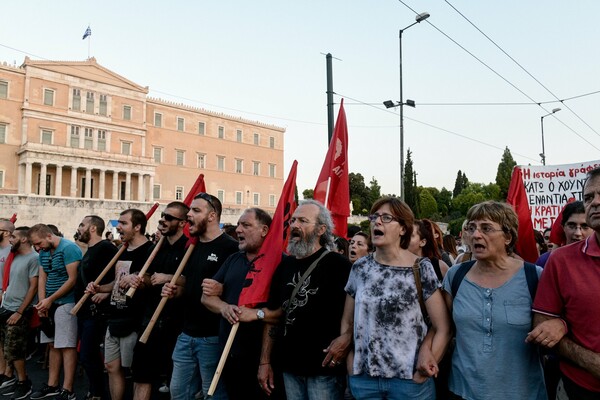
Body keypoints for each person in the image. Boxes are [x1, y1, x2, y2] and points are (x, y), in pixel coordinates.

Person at [339, 198, 450, 399]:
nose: (377, 222)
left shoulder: (421, 268)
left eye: (387, 218)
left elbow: (442, 326)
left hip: (409, 384)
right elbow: (348, 321)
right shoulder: (360, 268)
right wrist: (351, 363)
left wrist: (424, 369)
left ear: (403, 229)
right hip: (364, 381)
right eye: (374, 217)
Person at [442, 201, 547, 399]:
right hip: (463, 392)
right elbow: (445, 329)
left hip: (524, 393)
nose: (475, 235)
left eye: (486, 228)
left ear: (508, 237)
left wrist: (560, 324)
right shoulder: (455, 276)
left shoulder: (534, 276)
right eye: (471, 228)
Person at [258, 200, 352, 399]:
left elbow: (357, 312)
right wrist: (264, 361)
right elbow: (273, 317)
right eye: (293, 220)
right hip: (289, 366)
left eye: (302, 220)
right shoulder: (284, 266)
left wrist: (347, 338)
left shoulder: (339, 266)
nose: (294, 225)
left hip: (324, 369)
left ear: (321, 229)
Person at [530, 167, 600, 398]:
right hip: (578, 388)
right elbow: (543, 325)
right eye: (588, 197)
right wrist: (591, 362)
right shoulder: (560, 261)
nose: (595, 203)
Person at [162, 193, 239, 400]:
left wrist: (222, 290)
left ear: (212, 215)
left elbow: (238, 290)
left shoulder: (231, 248)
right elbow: (190, 283)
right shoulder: (192, 246)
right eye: (189, 211)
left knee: (213, 395)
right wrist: (175, 292)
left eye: (196, 211)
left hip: (213, 338)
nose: (189, 215)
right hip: (186, 334)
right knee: (178, 393)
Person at [202, 208, 278, 400]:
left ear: (264, 230)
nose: (238, 230)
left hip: (261, 359)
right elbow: (207, 297)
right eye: (238, 224)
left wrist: (256, 314)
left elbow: (280, 312)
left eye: (246, 225)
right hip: (229, 353)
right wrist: (224, 307)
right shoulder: (233, 259)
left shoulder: (280, 263)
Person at [85, 209, 153, 400]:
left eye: (123, 223)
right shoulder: (121, 250)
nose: (118, 227)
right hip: (114, 316)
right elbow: (116, 283)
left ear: (137, 227)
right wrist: (99, 288)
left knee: (134, 371)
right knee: (111, 366)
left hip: (135, 320)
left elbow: (151, 281)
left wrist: (139, 279)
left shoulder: (150, 251)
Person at [130, 202, 189, 400]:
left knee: (176, 382)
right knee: (141, 374)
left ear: (182, 223)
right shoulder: (156, 248)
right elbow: (147, 278)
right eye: (163, 215)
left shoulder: (190, 248)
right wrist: (138, 280)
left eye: (169, 217)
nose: (163, 220)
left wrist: (169, 278)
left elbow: (194, 281)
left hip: (177, 324)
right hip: (150, 319)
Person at [28, 224, 82, 400]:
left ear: (49, 236)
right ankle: (52, 384)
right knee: (52, 344)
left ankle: (68, 389)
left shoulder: (69, 248)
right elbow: (43, 277)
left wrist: (49, 300)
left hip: (67, 302)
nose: (37, 248)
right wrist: (43, 303)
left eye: (39, 243)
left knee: (66, 346)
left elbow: (72, 279)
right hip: (49, 303)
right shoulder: (43, 252)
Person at [75, 215, 118, 400]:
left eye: (82, 225)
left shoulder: (106, 248)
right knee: (87, 355)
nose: (79, 228)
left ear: (93, 228)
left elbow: (116, 276)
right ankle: (95, 390)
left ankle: (98, 392)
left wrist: (106, 292)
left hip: (96, 311)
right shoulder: (90, 249)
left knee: (88, 355)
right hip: (84, 311)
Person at [0, 227, 39, 400]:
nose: (10, 239)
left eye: (14, 237)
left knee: (15, 350)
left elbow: (33, 287)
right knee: (7, 349)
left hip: (18, 310)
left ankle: (24, 383)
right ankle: (14, 379)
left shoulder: (34, 259)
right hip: (6, 307)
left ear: (23, 239)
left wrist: (20, 312)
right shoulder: (15, 257)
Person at [536, 201, 592, 268]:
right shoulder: (546, 261)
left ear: (593, 228)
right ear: (563, 227)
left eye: (584, 226)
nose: (578, 233)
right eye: (571, 225)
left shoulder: (597, 259)